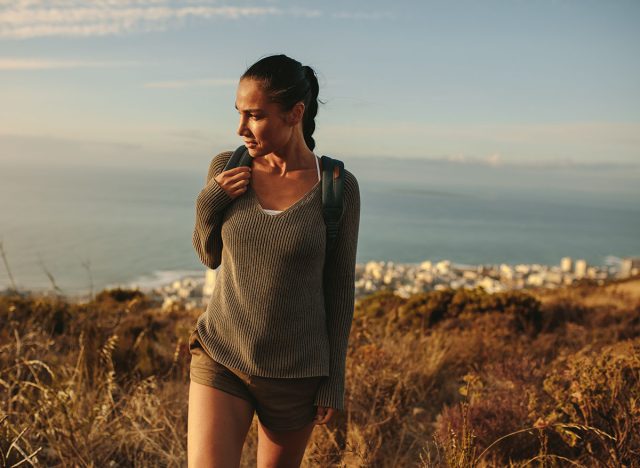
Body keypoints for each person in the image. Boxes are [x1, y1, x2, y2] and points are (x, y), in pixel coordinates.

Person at [188, 54, 360, 467]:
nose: (241, 128)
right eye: (239, 114)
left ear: (294, 113)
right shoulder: (228, 169)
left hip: (296, 375)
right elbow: (209, 255)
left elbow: (339, 288)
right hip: (222, 354)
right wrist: (209, 200)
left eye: (255, 115)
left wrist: (333, 380)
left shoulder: (337, 188)